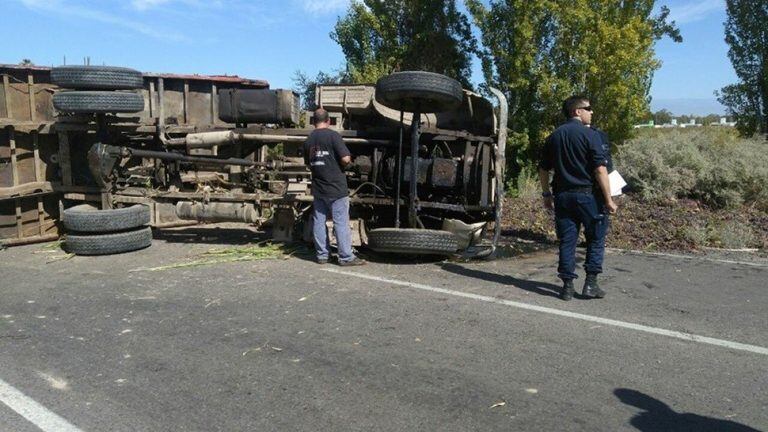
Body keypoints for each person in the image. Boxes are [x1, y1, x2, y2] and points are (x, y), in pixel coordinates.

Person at [538, 96, 618, 301]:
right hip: (588, 196)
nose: (592, 112)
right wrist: (609, 199)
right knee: (596, 238)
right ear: (577, 112)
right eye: (588, 108)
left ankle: (566, 286)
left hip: (563, 196)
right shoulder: (590, 135)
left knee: (567, 240)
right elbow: (600, 169)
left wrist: (546, 194)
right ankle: (590, 284)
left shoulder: (554, 136)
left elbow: (543, 169)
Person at [303, 108, 366, 266]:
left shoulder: (308, 140)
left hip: (319, 187)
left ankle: (322, 255)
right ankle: (345, 257)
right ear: (329, 121)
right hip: (336, 188)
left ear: (313, 121)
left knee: (319, 221)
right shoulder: (333, 136)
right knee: (340, 222)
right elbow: (345, 158)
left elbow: (308, 163)